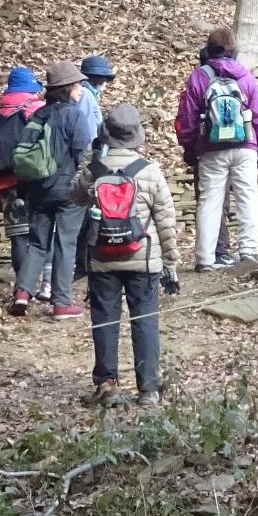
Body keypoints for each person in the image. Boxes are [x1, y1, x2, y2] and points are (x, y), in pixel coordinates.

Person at [75, 104, 182, 405]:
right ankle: (148, 389)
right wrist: (170, 262)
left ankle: (106, 384)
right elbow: (166, 221)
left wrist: (91, 158)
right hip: (143, 258)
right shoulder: (150, 172)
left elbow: (74, 195)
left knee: (105, 320)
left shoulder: (95, 170)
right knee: (145, 320)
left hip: (102, 258)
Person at [175, 25, 258, 271]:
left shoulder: (199, 76)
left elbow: (188, 117)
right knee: (248, 197)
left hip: (211, 148)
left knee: (209, 202)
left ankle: (205, 259)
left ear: (209, 49)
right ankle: (249, 251)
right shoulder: (245, 75)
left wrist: (189, 146)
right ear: (233, 50)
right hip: (245, 145)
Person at [11, 60, 94, 319]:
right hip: (67, 190)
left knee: (37, 242)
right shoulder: (74, 115)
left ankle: (22, 293)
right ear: (67, 88)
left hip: (37, 189)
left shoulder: (38, 114)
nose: (80, 89)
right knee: (65, 243)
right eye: (78, 85)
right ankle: (61, 303)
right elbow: (84, 153)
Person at [0, 65, 45, 284]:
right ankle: (43, 285)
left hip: (7, 187)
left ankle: (22, 287)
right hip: (36, 183)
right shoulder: (38, 110)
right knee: (42, 234)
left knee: (19, 236)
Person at [74, 53, 114, 149]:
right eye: (103, 78)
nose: (104, 81)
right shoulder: (85, 94)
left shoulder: (90, 93)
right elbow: (85, 124)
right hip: (88, 147)